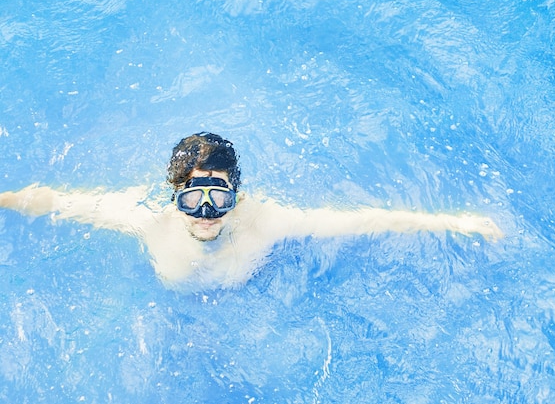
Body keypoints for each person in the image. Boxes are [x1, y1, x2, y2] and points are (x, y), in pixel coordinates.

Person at [0, 132, 503, 291]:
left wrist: (452, 224)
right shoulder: (145, 216)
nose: (205, 212)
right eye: (192, 197)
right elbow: (57, 203)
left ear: (236, 197)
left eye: (218, 197)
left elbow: (360, 219)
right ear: (172, 196)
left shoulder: (267, 221)